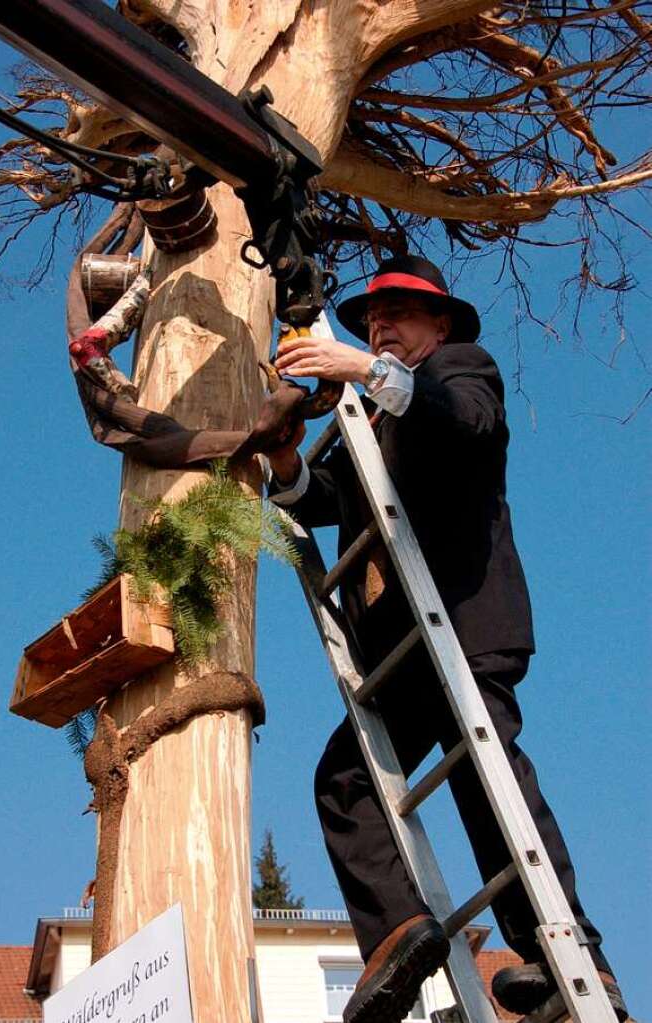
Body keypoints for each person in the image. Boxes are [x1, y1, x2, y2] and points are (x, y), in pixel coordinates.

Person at [265, 256, 626, 1023]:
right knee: (347, 780)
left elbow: (466, 421)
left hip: (461, 621)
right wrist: (290, 459)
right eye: (369, 320)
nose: (378, 326)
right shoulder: (375, 422)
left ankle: (570, 956)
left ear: (440, 325)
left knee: (487, 777)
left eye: (396, 314)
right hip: (402, 645)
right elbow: (335, 497)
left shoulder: (460, 371)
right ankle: (400, 935)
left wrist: (361, 365)